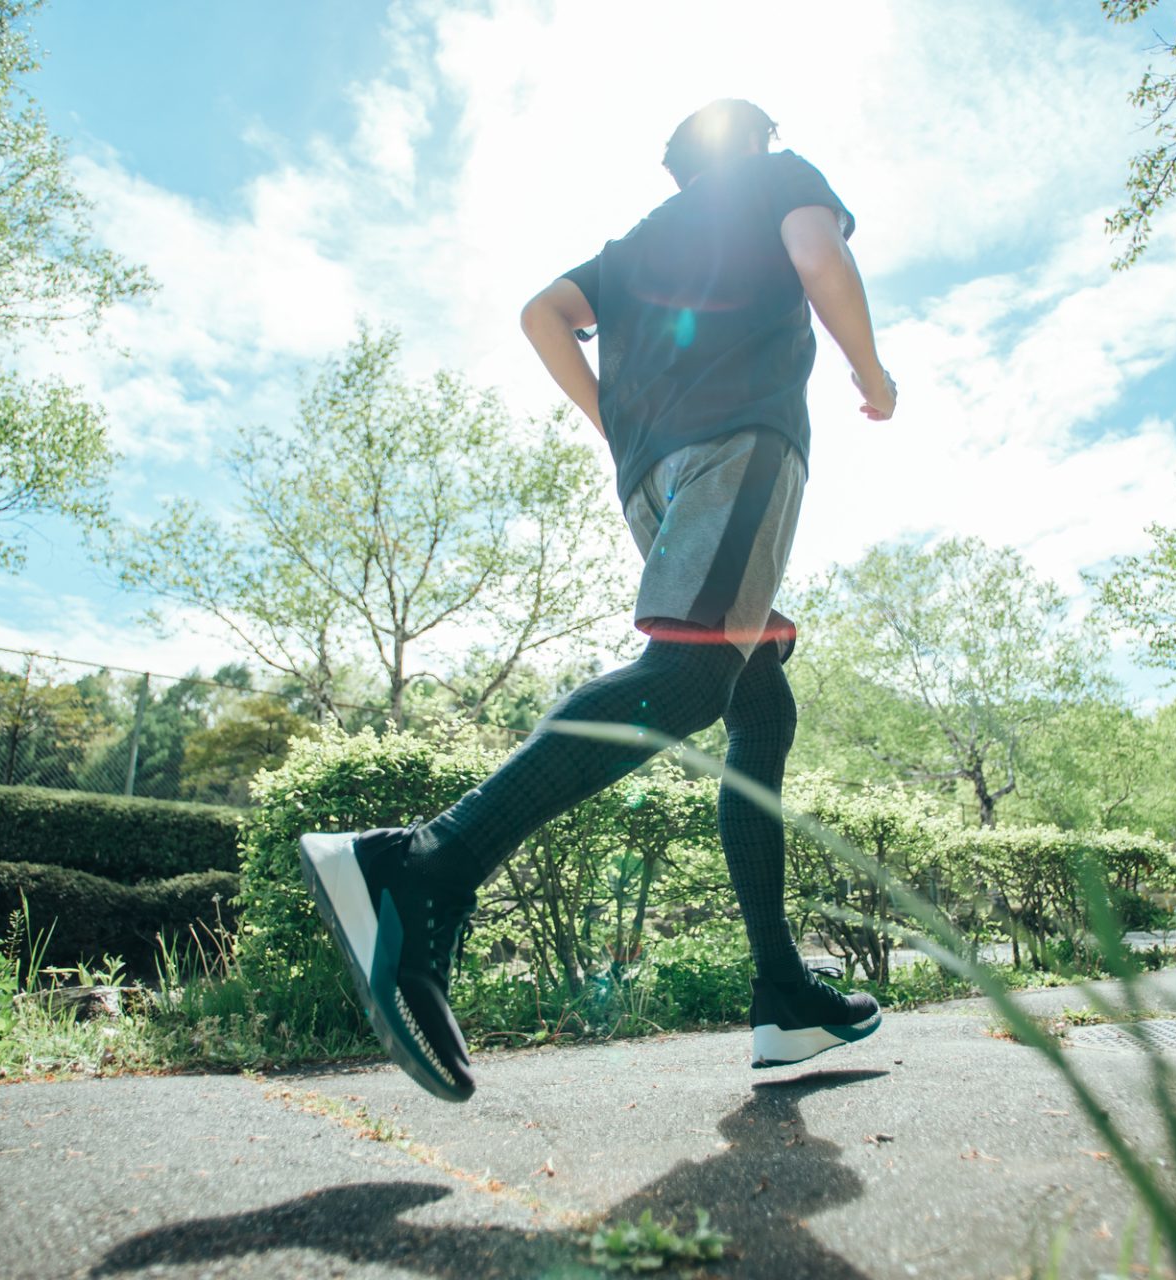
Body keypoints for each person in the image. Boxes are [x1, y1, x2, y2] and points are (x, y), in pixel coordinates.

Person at [300, 99, 897, 1102]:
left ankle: (783, 989)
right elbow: (818, 256)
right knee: (695, 672)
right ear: (750, 139)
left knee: (758, 701)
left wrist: (615, 425)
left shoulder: (636, 247)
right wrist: (872, 372)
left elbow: (541, 314)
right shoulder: (779, 174)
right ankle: (425, 863)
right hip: (742, 442)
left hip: (653, 479)